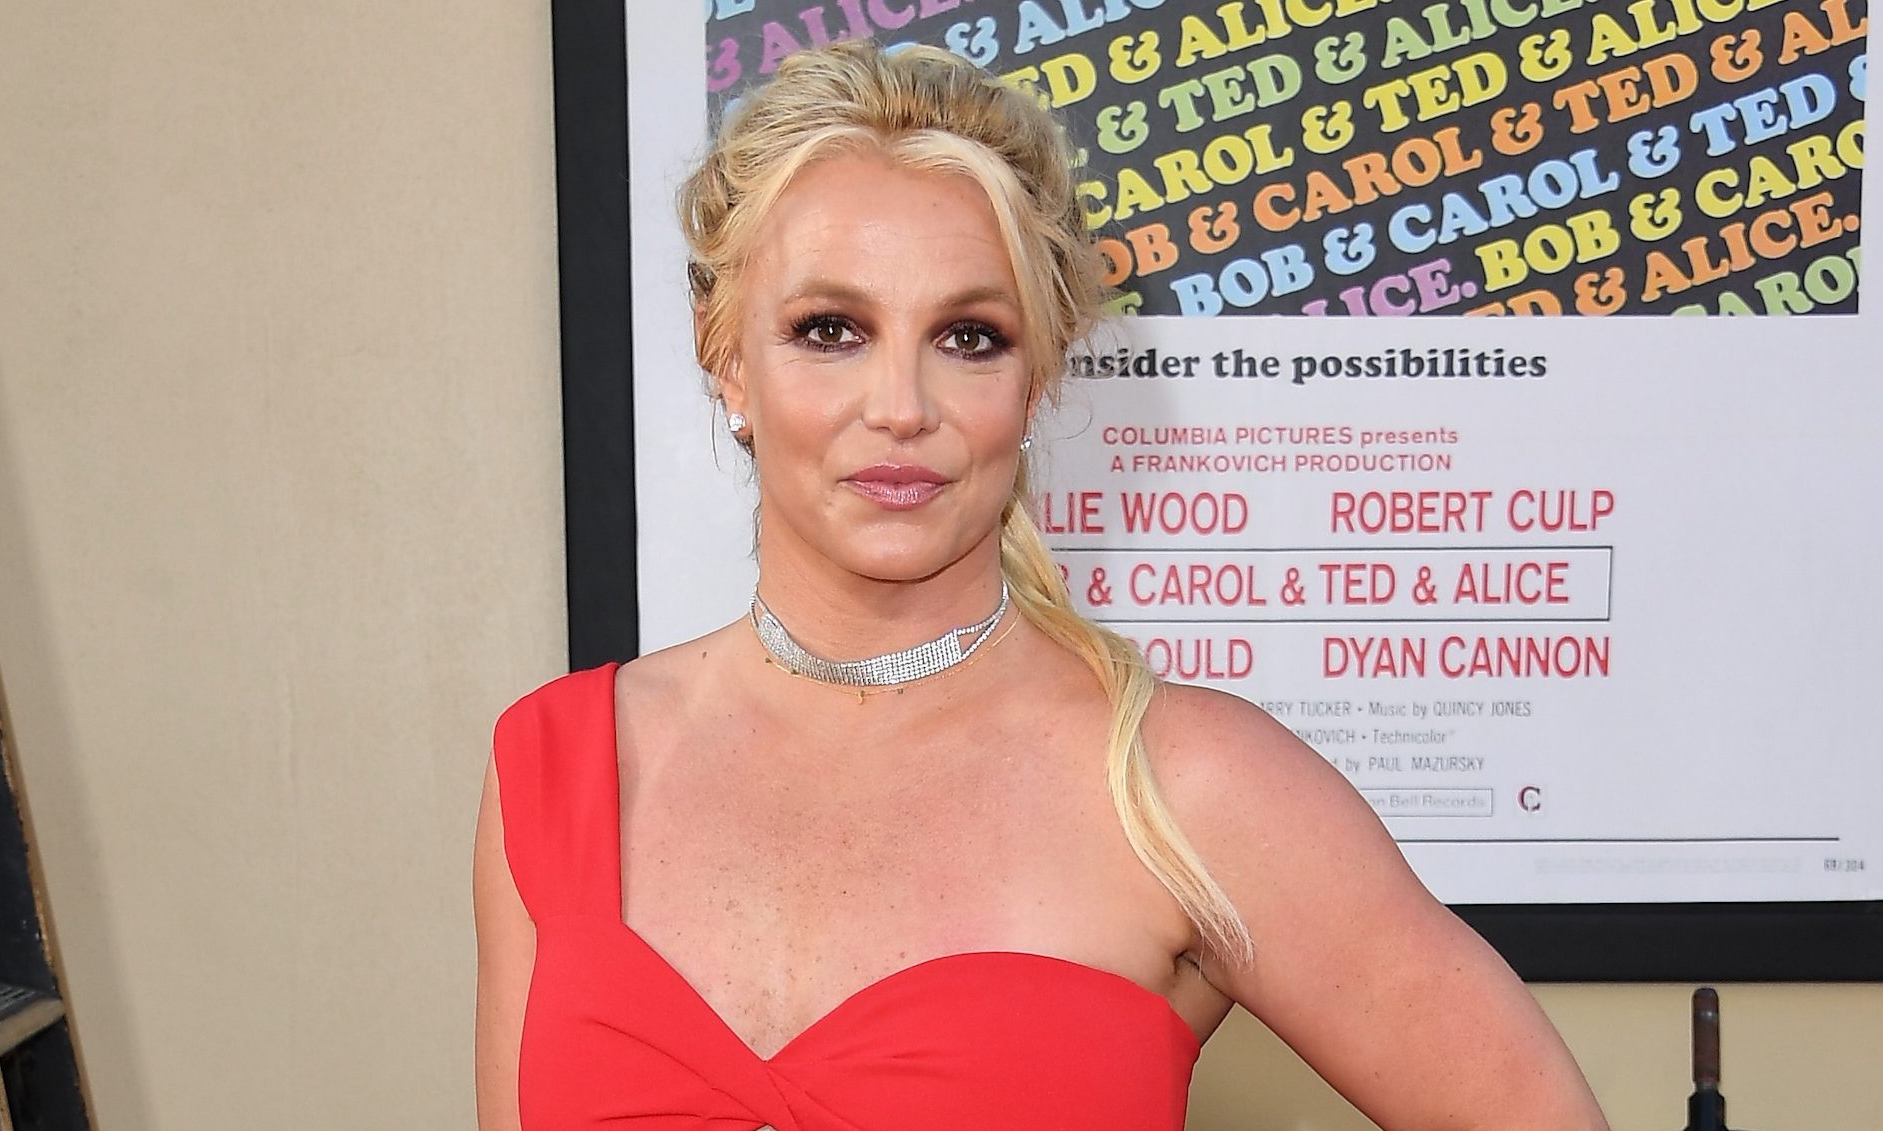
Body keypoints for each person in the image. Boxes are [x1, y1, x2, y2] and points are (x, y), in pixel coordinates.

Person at [474, 38, 1610, 1131]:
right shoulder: (560, 768)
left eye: (969, 338)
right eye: (830, 329)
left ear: (1038, 377)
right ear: (725, 357)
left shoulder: (1183, 785)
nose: (901, 406)